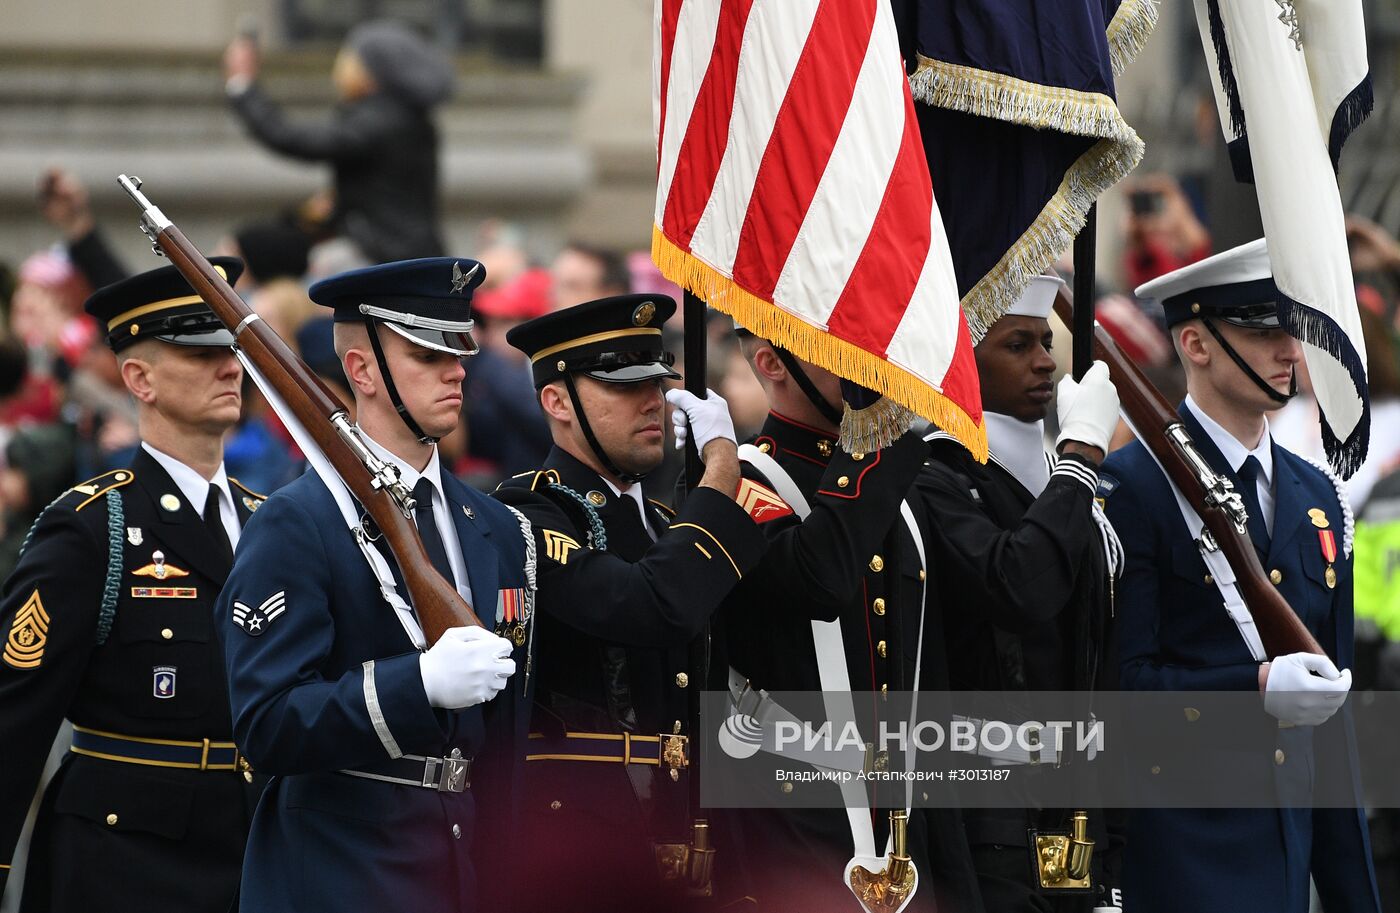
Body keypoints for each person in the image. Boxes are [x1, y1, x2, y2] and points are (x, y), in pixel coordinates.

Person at [215, 257, 531, 912]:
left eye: (459, 349)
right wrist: (414, 684)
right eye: (426, 353)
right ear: (361, 371)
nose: (456, 370)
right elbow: (267, 722)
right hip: (339, 869)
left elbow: (505, 742)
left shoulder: (496, 525)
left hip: (462, 867)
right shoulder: (296, 522)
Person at [1101, 240, 1381, 913]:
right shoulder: (1135, 488)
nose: (1290, 350)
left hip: (1285, 863)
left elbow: (1332, 730)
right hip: (1178, 859)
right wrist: (1250, 689)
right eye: (1264, 332)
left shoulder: (1319, 495)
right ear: (1195, 343)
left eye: (1295, 329)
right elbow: (1122, 694)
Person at [0, 258, 264, 912]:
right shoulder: (94, 527)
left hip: (251, 858)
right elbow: (13, 719)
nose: (230, 367)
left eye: (232, 349)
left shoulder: (270, 521)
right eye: (200, 355)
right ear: (139, 378)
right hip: (121, 866)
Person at [492, 294, 767, 911]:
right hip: (585, 846)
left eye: (658, 381)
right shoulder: (527, 513)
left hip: (691, 839)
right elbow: (651, 607)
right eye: (622, 385)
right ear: (556, 402)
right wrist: (723, 464)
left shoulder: (669, 522)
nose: (654, 400)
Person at [720, 328, 983, 913]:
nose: (870, 363)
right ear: (771, 361)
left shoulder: (896, 479)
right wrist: (875, 433)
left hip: (910, 821)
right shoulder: (736, 483)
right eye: (843, 349)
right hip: (791, 818)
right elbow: (821, 577)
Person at [915, 274, 1124, 912]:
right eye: (1016, 345)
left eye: (1046, 341)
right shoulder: (935, 477)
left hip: (1080, 802)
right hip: (994, 813)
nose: (1045, 361)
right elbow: (1015, 586)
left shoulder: (1060, 476)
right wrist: (1082, 457)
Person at [223, 21, 453, 264]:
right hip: (401, 250)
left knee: (321, 271)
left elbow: (293, 138)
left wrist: (242, 84)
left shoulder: (379, 120)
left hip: (384, 256)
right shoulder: (401, 116)